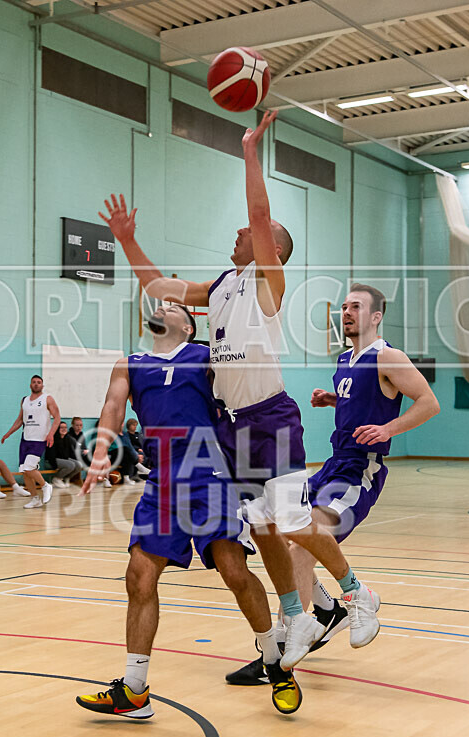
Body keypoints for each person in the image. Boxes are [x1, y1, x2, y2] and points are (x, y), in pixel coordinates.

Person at [98, 112, 379, 671]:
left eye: (247, 232)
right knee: (260, 526)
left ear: (270, 246)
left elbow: (259, 211)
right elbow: (158, 286)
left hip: (268, 415)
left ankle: (356, 593)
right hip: (232, 425)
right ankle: (297, 613)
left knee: (290, 521)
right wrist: (128, 241)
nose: (238, 232)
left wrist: (251, 152)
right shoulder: (222, 286)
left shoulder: (266, 281)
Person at [75, 303, 303, 718]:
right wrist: (102, 449)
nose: (160, 307)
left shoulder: (205, 357)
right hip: (163, 480)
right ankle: (135, 688)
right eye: (158, 305)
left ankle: (275, 660)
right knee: (138, 577)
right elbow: (112, 406)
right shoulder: (131, 363)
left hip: (210, 472)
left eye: (172, 307)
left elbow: (246, 390)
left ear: (186, 325)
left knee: (233, 571)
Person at [227, 283, 440, 685]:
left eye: (356, 307)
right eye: (344, 306)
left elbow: (428, 402)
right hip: (331, 463)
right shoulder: (345, 358)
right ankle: (328, 608)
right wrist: (332, 400)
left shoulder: (388, 356)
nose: (346, 312)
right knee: (288, 534)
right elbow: (363, 399)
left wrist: (388, 428)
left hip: (359, 470)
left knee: (303, 545)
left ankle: (285, 645)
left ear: (376, 316)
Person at [1, 376, 61, 509]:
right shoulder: (25, 400)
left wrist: (51, 433)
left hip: (40, 439)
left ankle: (46, 485)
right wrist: (8, 433)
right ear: (30, 385)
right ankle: (35, 499)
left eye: (39, 382)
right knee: (25, 471)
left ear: (42, 386)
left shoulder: (47, 399)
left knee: (29, 467)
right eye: (34, 382)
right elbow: (19, 420)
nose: (36, 384)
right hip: (25, 439)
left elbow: (57, 417)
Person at [45, 421, 82, 488]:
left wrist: (76, 460)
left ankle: (66, 478)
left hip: (64, 460)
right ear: (57, 429)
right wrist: (55, 466)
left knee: (79, 465)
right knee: (71, 465)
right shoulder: (52, 438)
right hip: (51, 461)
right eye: (61, 427)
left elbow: (71, 453)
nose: (64, 429)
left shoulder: (68, 438)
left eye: (65, 427)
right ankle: (56, 478)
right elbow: (50, 455)